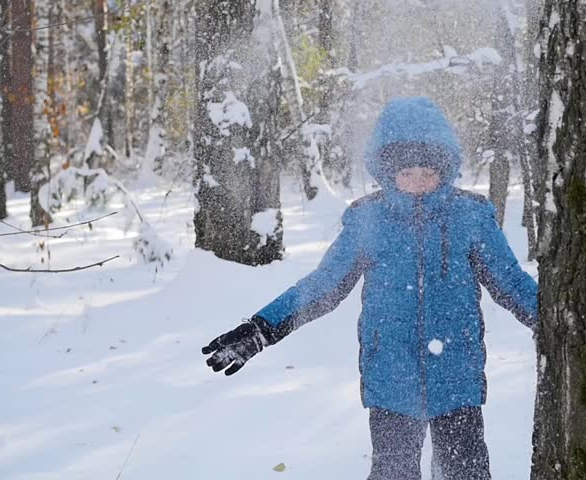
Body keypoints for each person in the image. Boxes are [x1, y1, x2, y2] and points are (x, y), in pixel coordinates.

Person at [202, 97, 537, 480]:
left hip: (457, 376)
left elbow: (511, 283)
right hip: (391, 378)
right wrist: (262, 328)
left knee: (466, 473)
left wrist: (558, 324)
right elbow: (324, 285)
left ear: (444, 170)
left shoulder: (471, 217)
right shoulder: (369, 221)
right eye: (406, 173)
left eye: (427, 173)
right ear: (387, 171)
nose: (417, 184)